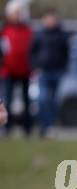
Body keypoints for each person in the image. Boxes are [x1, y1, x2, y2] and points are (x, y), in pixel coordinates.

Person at [31, 10, 69, 138]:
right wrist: (35, 67)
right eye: (48, 19)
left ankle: (50, 127)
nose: (51, 21)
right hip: (43, 72)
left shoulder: (62, 35)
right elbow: (32, 52)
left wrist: (63, 68)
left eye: (53, 19)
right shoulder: (39, 34)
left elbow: (66, 53)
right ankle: (44, 126)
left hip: (57, 73)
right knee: (42, 100)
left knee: (54, 101)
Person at [0, 1, 33, 136]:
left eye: (19, 13)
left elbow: (32, 50)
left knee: (26, 101)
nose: (17, 16)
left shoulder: (28, 31)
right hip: (8, 71)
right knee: (7, 99)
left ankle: (27, 129)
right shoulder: (4, 31)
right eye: (15, 13)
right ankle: (6, 128)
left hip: (25, 71)